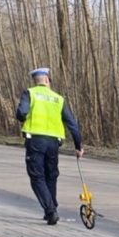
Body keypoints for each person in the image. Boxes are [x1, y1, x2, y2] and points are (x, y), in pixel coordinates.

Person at [15, 67, 83, 225]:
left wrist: (23, 116)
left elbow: (21, 114)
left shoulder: (29, 93)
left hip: (35, 140)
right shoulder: (58, 98)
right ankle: (52, 209)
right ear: (47, 80)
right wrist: (78, 146)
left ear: (36, 81)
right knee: (51, 175)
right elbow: (72, 124)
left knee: (37, 176)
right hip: (53, 142)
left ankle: (50, 210)